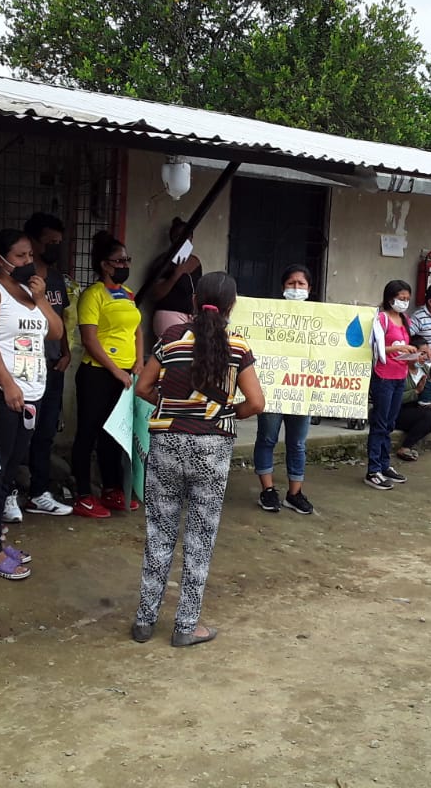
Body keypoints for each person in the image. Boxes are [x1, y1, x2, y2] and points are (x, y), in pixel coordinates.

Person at [132, 272, 264, 646]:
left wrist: (171, 406)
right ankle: (186, 627)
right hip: (212, 447)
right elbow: (256, 402)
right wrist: (226, 414)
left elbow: (143, 387)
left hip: (167, 443)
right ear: (231, 307)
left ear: (193, 301)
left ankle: (144, 622)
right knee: (200, 538)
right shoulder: (237, 347)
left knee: (159, 532)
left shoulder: (170, 339)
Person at [0, 229, 64, 579]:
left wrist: (41, 299)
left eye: (29, 255)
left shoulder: (28, 292)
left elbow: (55, 332)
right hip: (1, 393)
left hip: (32, 392)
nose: (28, 262)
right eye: (20, 256)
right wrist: (7, 384)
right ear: (0, 260)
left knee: (8, 472)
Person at [71, 231, 144, 518]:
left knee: (114, 435)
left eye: (127, 260)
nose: (125, 265)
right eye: (119, 261)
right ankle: (83, 494)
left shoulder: (128, 294)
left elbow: (137, 330)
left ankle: (112, 488)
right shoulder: (93, 295)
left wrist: (138, 362)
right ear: (104, 264)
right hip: (98, 373)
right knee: (88, 432)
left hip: (125, 374)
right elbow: (89, 339)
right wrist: (115, 371)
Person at [253, 264, 317, 515]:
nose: (296, 288)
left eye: (301, 284)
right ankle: (268, 491)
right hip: (273, 388)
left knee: (298, 443)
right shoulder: (268, 315)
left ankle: (294, 493)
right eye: (291, 283)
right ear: (283, 287)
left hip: (303, 390)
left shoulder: (320, 319)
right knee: (267, 439)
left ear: (309, 289)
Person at [23, 213, 74, 517]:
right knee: (20, 434)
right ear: (31, 241)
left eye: (59, 242)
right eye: (49, 242)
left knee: (45, 433)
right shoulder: (21, 278)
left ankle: (39, 492)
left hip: (54, 365)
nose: (55, 247)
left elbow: (61, 319)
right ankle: (9, 492)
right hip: (25, 367)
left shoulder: (55, 278)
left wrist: (66, 352)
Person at [367, 280, 417, 490]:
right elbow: (374, 348)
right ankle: (373, 470)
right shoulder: (381, 319)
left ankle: (384, 464)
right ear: (390, 298)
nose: (404, 302)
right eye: (401, 298)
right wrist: (399, 348)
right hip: (384, 376)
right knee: (379, 423)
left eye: (407, 299)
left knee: (389, 423)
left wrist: (414, 354)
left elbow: (405, 346)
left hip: (400, 375)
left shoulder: (405, 319)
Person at [146, 216, 202, 337]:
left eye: (186, 236)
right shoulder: (163, 262)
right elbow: (154, 294)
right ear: (172, 239)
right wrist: (175, 276)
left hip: (190, 317)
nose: (182, 240)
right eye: (178, 237)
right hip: (169, 314)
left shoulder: (195, 262)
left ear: (191, 237)